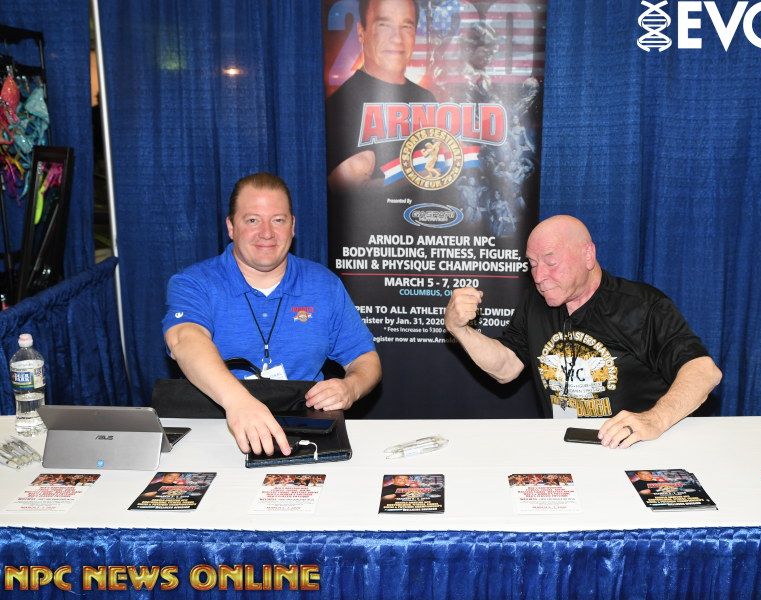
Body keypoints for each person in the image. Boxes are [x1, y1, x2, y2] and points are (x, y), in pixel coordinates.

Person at [445, 215, 722, 449]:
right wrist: (459, 329)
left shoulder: (642, 306)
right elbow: (506, 367)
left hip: (635, 448)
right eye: (533, 264)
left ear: (588, 255)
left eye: (551, 262)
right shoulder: (535, 303)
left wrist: (654, 419)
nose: (539, 277)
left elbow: (704, 372)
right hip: (566, 448)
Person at [163, 173, 381, 456]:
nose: (266, 233)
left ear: (293, 226)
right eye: (252, 220)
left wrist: (350, 388)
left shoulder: (323, 285)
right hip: (218, 430)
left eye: (278, 220)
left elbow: (365, 359)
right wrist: (239, 403)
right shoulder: (194, 283)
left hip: (305, 431)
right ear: (231, 227)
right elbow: (184, 339)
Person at [325, 0, 436, 189]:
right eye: (384, 25)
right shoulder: (338, 108)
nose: (397, 38)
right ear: (361, 32)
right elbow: (341, 195)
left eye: (406, 26)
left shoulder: (427, 100)